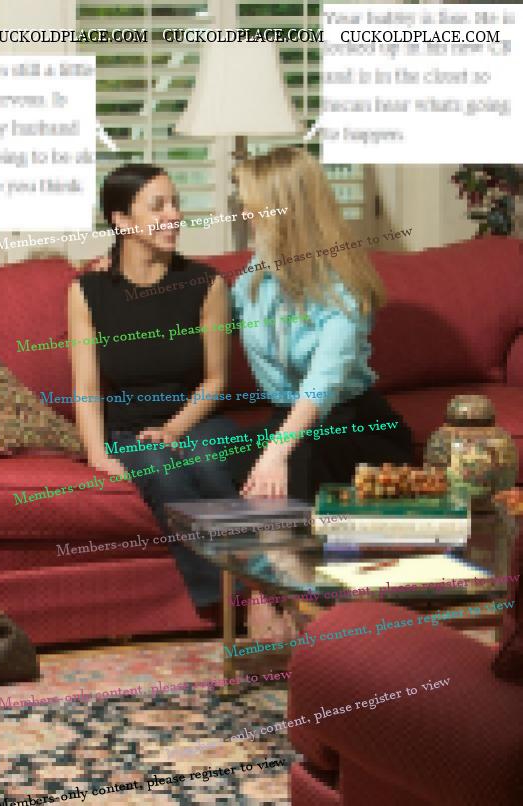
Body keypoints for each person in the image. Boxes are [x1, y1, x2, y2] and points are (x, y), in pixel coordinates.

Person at [68, 164, 238, 613]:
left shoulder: (206, 284)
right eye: (158, 205)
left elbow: (216, 380)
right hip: (128, 430)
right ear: (122, 220)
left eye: (176, 203)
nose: (174, 215)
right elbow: (85, 386)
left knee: (210, 462)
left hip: (196, 419)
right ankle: (226, 604)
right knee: (163, 470)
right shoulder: (87, 291)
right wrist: (97, 454)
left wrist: (173, 429)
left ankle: (262, 589)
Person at [231, 147, 413, 501]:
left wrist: (276, 453)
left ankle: (298, 539)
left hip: (354, 423)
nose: (244, 213)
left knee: (297, 462)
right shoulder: (259, 269)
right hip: (288, 420)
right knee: (216, 460)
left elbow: (323, 382)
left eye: (252, 204)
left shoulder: (342, 287)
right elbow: (216, 313)